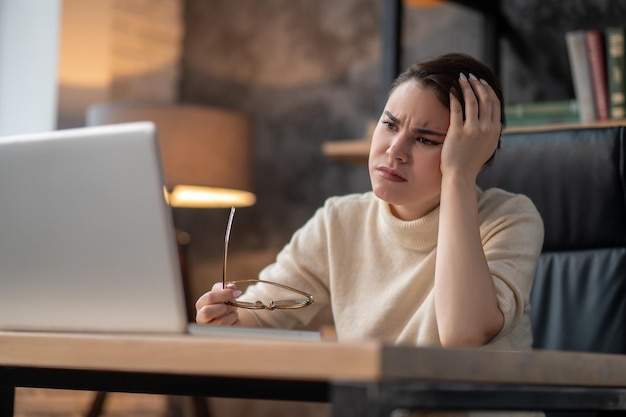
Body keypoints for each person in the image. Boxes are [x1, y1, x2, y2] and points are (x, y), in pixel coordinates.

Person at [195, 52, 544, 353]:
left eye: (425, 139)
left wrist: (458, 176)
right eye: (390, 125)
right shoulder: (339, 222)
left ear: (472, 153)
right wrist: (225, 319)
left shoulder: (510, 219)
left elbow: (463, 334)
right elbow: (257, 320)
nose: (394, 151)